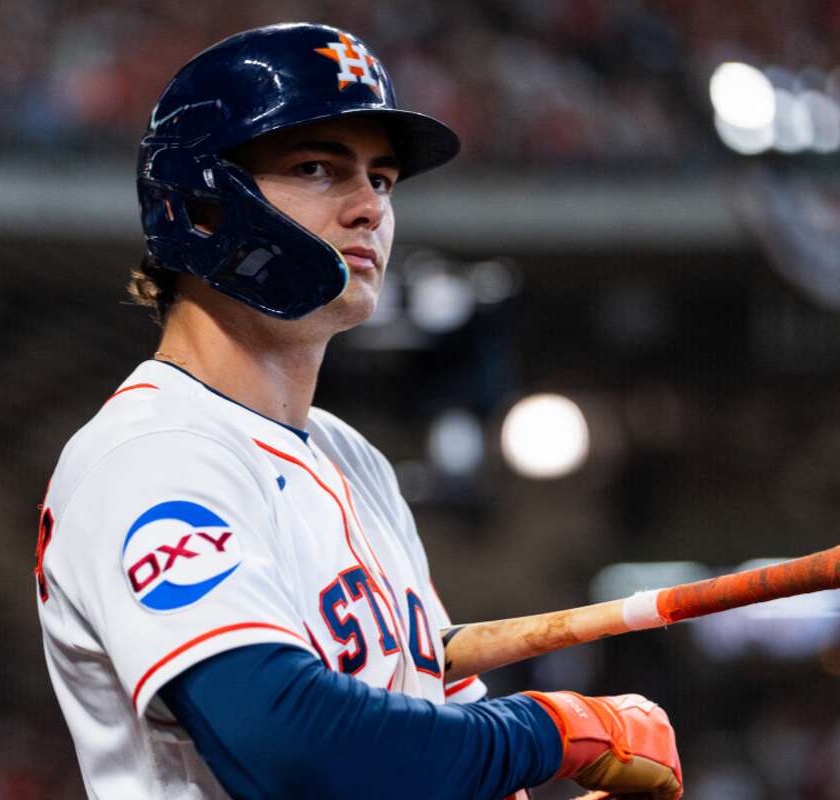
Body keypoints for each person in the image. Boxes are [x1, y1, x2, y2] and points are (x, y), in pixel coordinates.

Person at [34, 22, 682, 800]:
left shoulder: (352, 459)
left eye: (381, 179)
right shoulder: (149, 452)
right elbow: (288, 746)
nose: (369, 208)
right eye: (318, 168)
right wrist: (554, 730)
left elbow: (433, 754)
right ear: (200, 203)